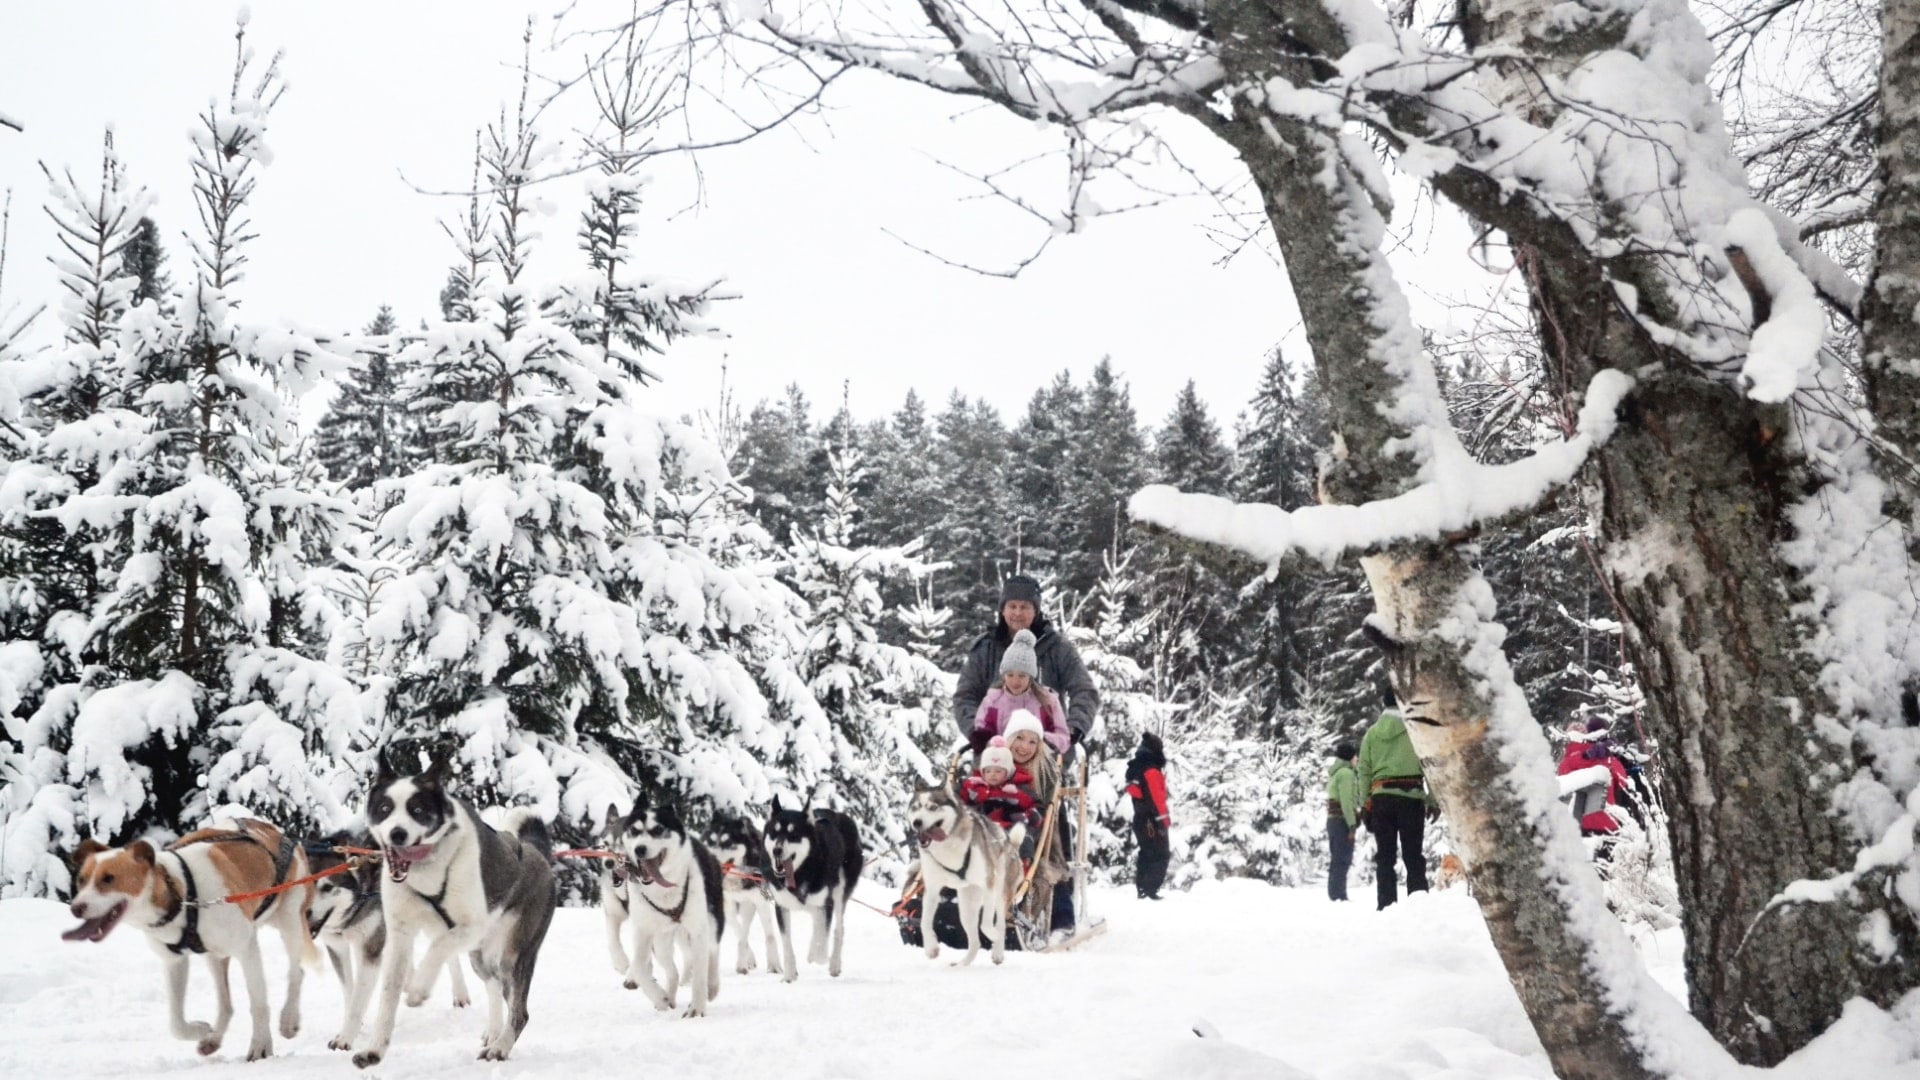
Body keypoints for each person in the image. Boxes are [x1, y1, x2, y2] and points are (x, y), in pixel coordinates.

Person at [954, 575, 1098, 752]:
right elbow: (965, 696)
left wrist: (1074, 728)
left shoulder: (1058, 648)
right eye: (1012, 606)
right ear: (1003, 609)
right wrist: (976, 732)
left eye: (1025, 607)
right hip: (995, 751)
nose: (1017, 613)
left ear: (1036, 610)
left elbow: (1084, 690)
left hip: (1045, 750)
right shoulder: (986, 649)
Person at [1357, 688, 1430, 909]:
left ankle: (1386, 906)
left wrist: (1365, 803)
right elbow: (1431, 765)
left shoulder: (1371, 734)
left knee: (1385, 858)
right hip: (1411, 797)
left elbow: (1364, 771)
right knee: (1413, 855)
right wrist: (1434, 800)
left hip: (1381, 799)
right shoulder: (1416, 729)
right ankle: (1418, 905)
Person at [972, 630, 1072, 755]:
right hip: (1001, 763)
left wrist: (1040, 741)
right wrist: (987, 741)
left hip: (1037, 763)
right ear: (1003, 675)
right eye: (1010, 675)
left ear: (1031, 677)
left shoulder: (1047, 701)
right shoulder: (993, 701)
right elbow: (982, 730)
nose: (1015, 681)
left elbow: (1063, 738)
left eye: (1022, 676)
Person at [1557, 717, 1632, 854]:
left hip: (1577, 828)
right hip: (1608, 826)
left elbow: (1562, 791)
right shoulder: (1608, 759)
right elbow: (1623, 783)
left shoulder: (1566, 763)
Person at [1125, 731, 1171, 900]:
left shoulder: (1137, 768)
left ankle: (1143, 888)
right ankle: (1150, 889)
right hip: (1152, 819)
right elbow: (1156, 798)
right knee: (1161, 853)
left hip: (1141, 818)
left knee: (1147, 852)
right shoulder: (1151, 770)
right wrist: (1163, 821)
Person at [959, 737, 1040, 832]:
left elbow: (1028, 802)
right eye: (988, 771)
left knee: (1019, 832)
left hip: (1005, 828)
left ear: (1007, 773)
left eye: (998, 771)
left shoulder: (1014, 790)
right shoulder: (974, 786)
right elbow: (960, 799)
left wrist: (1028, 813)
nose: (992, 774)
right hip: (978, 827)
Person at [1325, 741, 1360, 902]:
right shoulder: (1346, 774)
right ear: (1349, 757)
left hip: (1333, 820)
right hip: (1342, 821)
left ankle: (1335, 893)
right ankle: (1339, 895)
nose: (1357, 759)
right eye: (1355, 755)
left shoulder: (1336, 773)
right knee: (1343, 858)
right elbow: (1346, 801)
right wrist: (1352, 823)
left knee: (1336, 858)